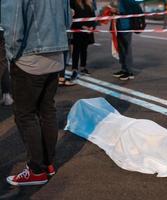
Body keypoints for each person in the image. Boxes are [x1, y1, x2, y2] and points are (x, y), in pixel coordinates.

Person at [1, 0, 71, 185]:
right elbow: (68, 20)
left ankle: (36, 170)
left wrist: (11, 55)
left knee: (25, 115)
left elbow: (13, 26)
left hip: (29, 58)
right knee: (47, 110)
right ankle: (47, 164)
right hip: (56, 56)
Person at [111, 0, 141, 81]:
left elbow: (129, 13)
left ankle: (129, 72)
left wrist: (117, 11)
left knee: (127, 48)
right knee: (121, 49)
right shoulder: (120, 1)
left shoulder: (126, 1)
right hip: (119, 27)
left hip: (126, 27)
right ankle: (124, 69)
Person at [70, 0, 96, 80]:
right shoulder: (73, 2)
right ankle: (74, 69)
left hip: (88, 31)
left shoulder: (89, 3)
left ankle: (83, 67)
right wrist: (82, 27)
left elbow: (93, 17)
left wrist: (92, 27)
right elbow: (72, 18)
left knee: (84, 49)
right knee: (76, 50)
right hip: (78, 30)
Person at [0, 29, 13, 106]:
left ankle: (6, 95)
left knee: (2, 62)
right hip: (3, 29)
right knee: (2, 61)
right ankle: (6, 95)